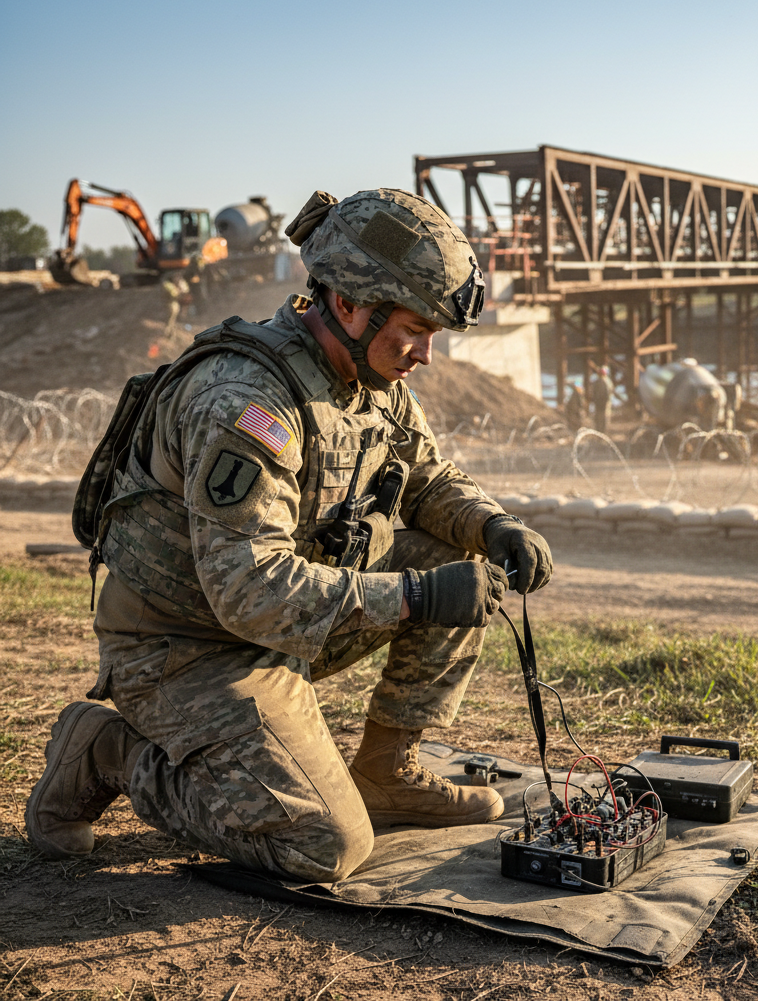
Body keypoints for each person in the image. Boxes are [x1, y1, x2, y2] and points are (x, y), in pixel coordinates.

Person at [25, 188, 553, 885]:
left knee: (459, 555)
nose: (425, 355)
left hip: (277, 623)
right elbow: (248, 587)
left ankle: (387, 772)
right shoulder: (247, 404)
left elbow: (424, 478)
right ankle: (109, 750)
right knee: (321, 846)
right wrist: (418, 597)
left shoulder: (369, 378)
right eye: (415, 329)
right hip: (184, 648)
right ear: (349, 304)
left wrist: (493, 523)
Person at [591, 365, 615, 433]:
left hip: (602, 403)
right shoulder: (607, 381)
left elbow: (607, 393)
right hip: (601, 403)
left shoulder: (604, 382)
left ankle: (601, 431)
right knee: (602, 418)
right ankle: (601, 431)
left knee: (602, 418)